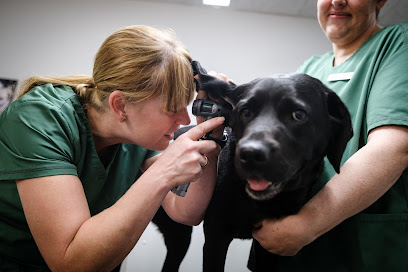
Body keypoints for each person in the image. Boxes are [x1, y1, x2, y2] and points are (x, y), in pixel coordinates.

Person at [0, 25, 226, 271]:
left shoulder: (139, 135)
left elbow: (185, 212)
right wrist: (163, 174)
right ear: (120, 105)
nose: (184, 120)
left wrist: (211, 138)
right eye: (172, 108)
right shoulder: (40, 118)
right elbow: (71, 263)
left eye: (187, 107)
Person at [250, 0, 408, 271]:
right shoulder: (310, 68)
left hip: (364, 249)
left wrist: (306, 224)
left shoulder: (397, 44)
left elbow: (394, 146)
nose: (336, 1)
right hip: (295, 251)